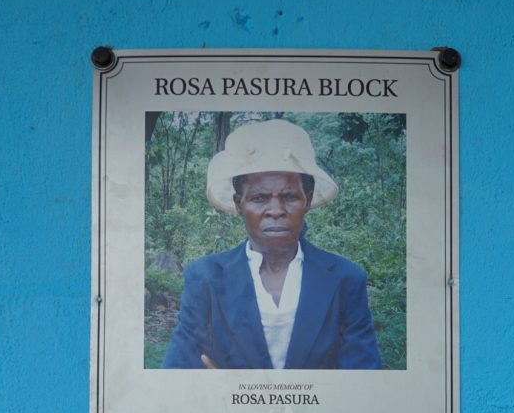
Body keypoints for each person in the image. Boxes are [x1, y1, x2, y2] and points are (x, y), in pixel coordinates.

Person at [162, 118, 382, 370]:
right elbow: (178, 371)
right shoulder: (204, 277)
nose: (276, 210)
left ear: (307, 200)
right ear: (239, 203)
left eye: (290, 197)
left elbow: (363, 377)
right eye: (259, 198)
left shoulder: (346, 279)